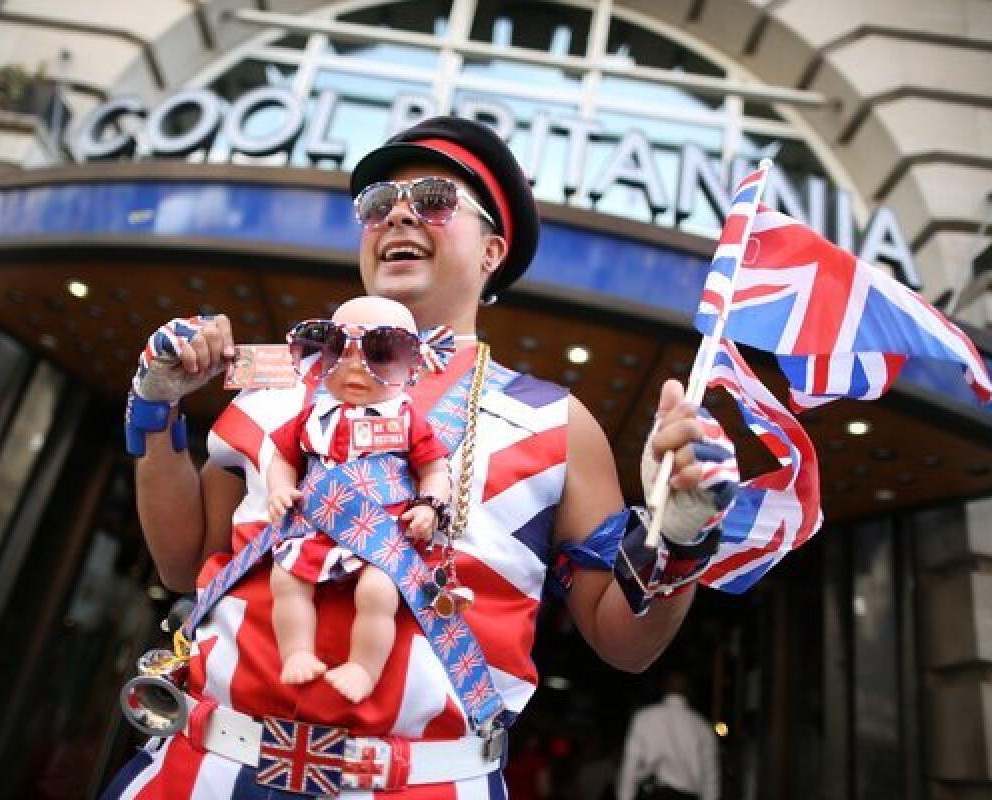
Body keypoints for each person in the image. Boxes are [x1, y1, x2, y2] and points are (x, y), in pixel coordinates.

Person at [109, 116, 739, 798]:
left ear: (493, 250)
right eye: (379, 204)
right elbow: (182, 563)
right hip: (200, 769)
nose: (399, 213)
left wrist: (680, 538)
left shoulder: (556, 420)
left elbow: (626, 642)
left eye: (434, 200)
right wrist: (155, 406)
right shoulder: (272, 372)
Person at [264, 295, 452, 703]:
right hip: (315, 527)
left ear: (414, 365)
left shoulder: (407, 421)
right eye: (335, 348)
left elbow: (436, 471)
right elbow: (281, 456)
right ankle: (295, 651)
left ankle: (364, 667)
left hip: (382, 536)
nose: (355, 365)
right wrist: (279, 488)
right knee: (286, 579)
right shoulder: (310, 418)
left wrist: (429, 506)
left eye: (381, 351)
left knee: (379, 594)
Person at [617, 672, 720, 800]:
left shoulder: (645, 717)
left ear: (663, 687)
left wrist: (625, 797)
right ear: (688, 690)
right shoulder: (703, 727)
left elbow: (630, 768)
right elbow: (711, 780)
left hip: (655, 794)